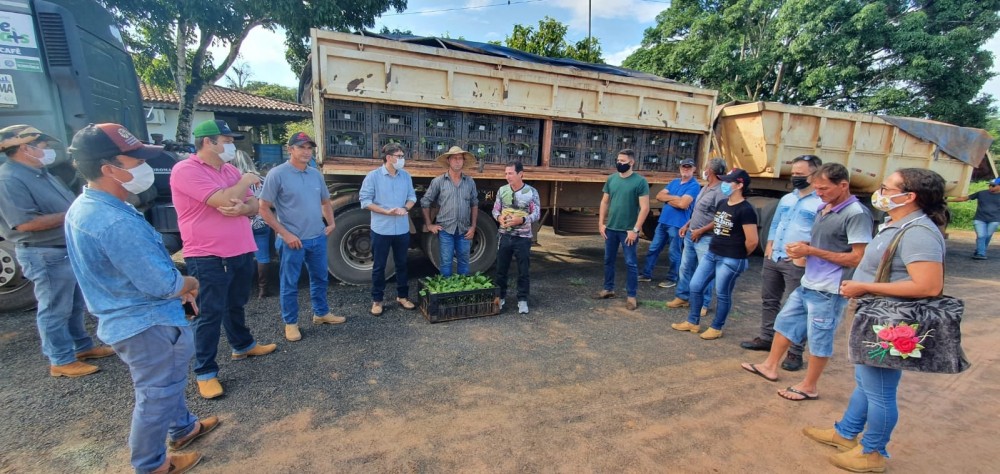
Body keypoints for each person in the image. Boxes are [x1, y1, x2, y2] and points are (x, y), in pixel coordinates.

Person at [64, 123, 217, 473]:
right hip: (146, 323)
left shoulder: (93, 206)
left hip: (133, 318)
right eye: (134, 160)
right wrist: (189, 281)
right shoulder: (111, 220)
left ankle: (183, 427)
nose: (143, 167)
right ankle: (151, 464)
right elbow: (162, 283)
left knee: (169, 380)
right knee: (157, 392)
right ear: (108, 169)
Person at [803, 168, 948, 473]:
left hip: (892, 324)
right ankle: (845, 434)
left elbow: (929, 286)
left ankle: (873, 452)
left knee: (880, 389)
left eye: (886, 187)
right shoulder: (898, 224)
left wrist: (864, 286)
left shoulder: (918, 232)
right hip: (877, 317)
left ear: (909, 196)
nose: (879, 192)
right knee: (866, 381)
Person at [740, 163, 872, 401]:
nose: (818, 193)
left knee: (820, 337)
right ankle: (770, 365)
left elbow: (857, 258)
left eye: (823, 188)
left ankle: (809, 386)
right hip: (809, 282)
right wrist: (802, 251)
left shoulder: (856, 214)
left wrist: (811, 251)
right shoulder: (824, 208)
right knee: (785, 322)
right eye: (817, 188)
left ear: (843, 185)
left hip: (830, 289)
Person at [170, 119, 277, 399]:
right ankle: (205, 372)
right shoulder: (186, 170)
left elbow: (254, 204)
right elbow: (223, 200)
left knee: (236, 303)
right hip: (206, 254)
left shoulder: (228, 169)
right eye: (226, 140)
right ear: (208, 142)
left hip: (240, 249)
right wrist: (244, 181)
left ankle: (242, 345)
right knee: (206, 313)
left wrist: (244, 206)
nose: (231, 145)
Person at [0, 125, 114, 378]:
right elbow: (23, 223)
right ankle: (60, 359)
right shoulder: (9, 179)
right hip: (43, 252)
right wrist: (73, 214)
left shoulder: (40, 173)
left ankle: (82, 347)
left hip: (63, 248)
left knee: (74, 304)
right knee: (54, 308)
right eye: (42, 147)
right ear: (24, 148)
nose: (47, 151)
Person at [740, 155, 823, 371]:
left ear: (814, 175)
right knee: (769, 300)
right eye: (793, 173)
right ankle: (767, 337)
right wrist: (769, 245)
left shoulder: (820, 203)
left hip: (797, 261)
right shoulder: (787, 199)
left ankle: (795, 353)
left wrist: (804, 255)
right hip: (775, 256)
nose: (795, 177)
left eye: (800, 174)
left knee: (796, 307)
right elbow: (776, 223)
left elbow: (820, 233)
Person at [259, 132, 344, 342]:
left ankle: (321, 314)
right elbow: (263, 208)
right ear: (290, 149)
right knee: (289, 283)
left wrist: (331, 223)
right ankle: (291, 323)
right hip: (292, 241)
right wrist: (285, 234)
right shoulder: (277, 174)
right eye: (301, 147)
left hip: (317, 237)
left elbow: (325, 202)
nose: (306, 152)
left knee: (320, 278)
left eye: (309, 148)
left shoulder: (315, 174)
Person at [670, 168, 757, 339]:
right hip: (713, 253)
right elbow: (717, 224)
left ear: (739, 185)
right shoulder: (723, 204)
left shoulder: (746, 210)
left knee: (723, 293)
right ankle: (693, 322)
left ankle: (716, 327)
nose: (724, 184)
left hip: (731, 258)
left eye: (728, 182)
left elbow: (752, 241)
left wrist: (738, 254)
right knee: (695, 286)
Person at [359, 143, 418, 316]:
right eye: (399, 156)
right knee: (379, 266)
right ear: (388, 157)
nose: (402, 159)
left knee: (402, 264)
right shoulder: (373, 176)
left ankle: (403, 296)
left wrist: (405, 208)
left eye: (402, 156)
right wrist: (386, 211)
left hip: (401, 228)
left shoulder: (405, 176)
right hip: (381, 229)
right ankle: (377, 300)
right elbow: (365, 201)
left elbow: (412, 197)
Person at [666, 157, 728, 315]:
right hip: (691, 234)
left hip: (705, 238)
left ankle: (704, 304)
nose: (704, 171)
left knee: (705, 272)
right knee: (685, 267)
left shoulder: (721, 191)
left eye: (706, 168)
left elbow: (721, 217)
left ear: (712, 171)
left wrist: (700, 231)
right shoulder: (706, 187)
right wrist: (687, 225)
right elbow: (698, 211)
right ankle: (682, 297)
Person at [594, 149, 650, 311]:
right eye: (618, 160)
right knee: (608, 260)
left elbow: (645, 208)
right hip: (610, 228)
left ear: (632, 162)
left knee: (631, 263)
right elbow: (604, 202)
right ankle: (608, 289)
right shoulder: (611, 179)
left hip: (627, 231)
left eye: (623, 161)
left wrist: (635, 230)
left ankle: (631, 296)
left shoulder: (640, 181)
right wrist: (601, 223)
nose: (619, 163)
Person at [638, 158, 701, 289]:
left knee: (674, 253)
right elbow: (659, 196)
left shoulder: (694, 186)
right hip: (663, 222)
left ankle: (672, 278)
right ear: (680, 168)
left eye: (689, 167)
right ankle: (646, 274)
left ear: (694, 169)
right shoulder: (674, 182)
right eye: (684, 167)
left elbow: (684, 204)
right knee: (653, 249)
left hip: (678, 225)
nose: (686, 169)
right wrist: (675, 198)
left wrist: (668, 200)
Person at [421, 146, 479, 277]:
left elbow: (474, 204)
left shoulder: (469, 182)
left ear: (463, 161)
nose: (457, 161)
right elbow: (425, 201)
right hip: (446, 230)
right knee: (446, 263)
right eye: (454, 158)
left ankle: (462, 293)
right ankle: (446, 294)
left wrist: (473, 226)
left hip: (464, 230)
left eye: (460, 158)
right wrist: (430, 224)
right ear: (449, 161)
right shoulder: (438, 182)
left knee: (464, 262)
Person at [491, 161, 541, 314]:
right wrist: (499, 218)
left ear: (520, 174)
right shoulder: (502, 190)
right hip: (505, 236)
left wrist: (522, 220)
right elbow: (495, 210)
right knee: (501, 269)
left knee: (523, 270)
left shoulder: (531, 192)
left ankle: (523, 299)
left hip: (523, 237)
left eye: (510, 173)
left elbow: (536, 214)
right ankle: (501, 297)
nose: (507, 176)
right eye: (506, 173)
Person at [233, 150, 273, 298]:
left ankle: (243, 288)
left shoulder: (233, 182)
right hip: (261, 221)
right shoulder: (260, 179)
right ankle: (263, 289)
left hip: (242, 223)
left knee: (242, 256)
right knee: (263, 257)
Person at [947, 177, 1000, 260]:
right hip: (980, 219)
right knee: (981, 236)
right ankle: (981, 253)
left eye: (993, 185)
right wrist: (948, 201)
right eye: (989, 185)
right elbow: (965, 198)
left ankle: (980, 250)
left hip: (994, 220)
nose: (990, 187)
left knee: (988, 236)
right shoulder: (981, 193)